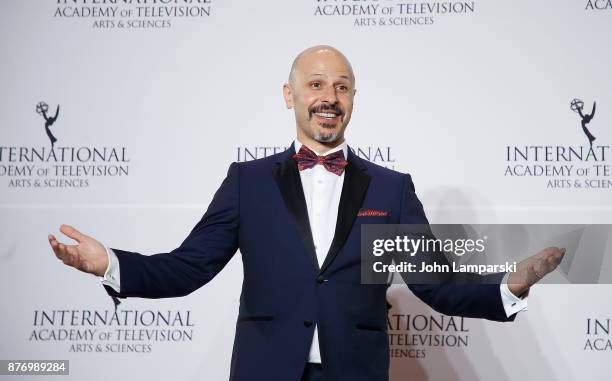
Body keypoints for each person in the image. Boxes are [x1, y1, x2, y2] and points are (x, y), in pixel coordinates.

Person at [48, 45, 565, 381]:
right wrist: (111, 263)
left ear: (354, 98)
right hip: (265, 369)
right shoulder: (247, 182)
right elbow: (190, 266)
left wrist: (507, 286)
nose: (329, 97)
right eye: (316, 84)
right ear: (289, 94)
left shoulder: (392, 188)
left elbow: (434, 284)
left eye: (341, 86)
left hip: (355, 372)